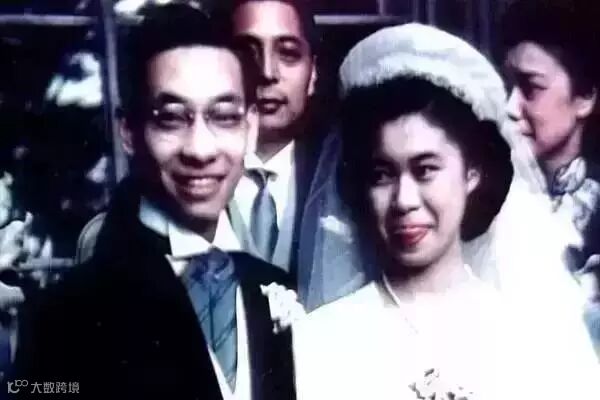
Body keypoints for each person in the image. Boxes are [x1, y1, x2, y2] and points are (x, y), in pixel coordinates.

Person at [294, 24, 599, 400]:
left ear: (472, 173)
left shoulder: (533, 334)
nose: (404, 200)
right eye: (382, 174)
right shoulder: (323, 337)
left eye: (425, 170)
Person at [14, 4, 296, 398]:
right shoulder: (62, 314)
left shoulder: (277, 288)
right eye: (171, 118)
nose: (200, 150)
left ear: (250, 128)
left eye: (223, 116)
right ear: (129, 132)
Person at [502, 0, 600, 352]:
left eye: (530, 88)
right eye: (508, 87)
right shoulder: (490, 201)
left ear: (584, 97)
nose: (510, 107)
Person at [225, 0, 323, 292]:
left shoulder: (341, 179)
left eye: (288, 53)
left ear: (312, 74)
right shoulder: (187, 181)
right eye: (247, 53)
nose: (266, 72)